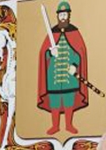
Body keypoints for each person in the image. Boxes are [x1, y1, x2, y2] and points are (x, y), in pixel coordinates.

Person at [38, 1, 88, 134]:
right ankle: (55, 126)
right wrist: (50, 53)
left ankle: (69, 125)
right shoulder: (52, 33)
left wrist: (74, 66)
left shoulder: (74, 32)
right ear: (58, 16)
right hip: (54, 79)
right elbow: (43, 54)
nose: (63, 17)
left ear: (69, 15)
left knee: (68, 101)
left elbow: (79, 53)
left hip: (69, 78)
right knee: (54, 102)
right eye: (61, 15)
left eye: (65, 14)